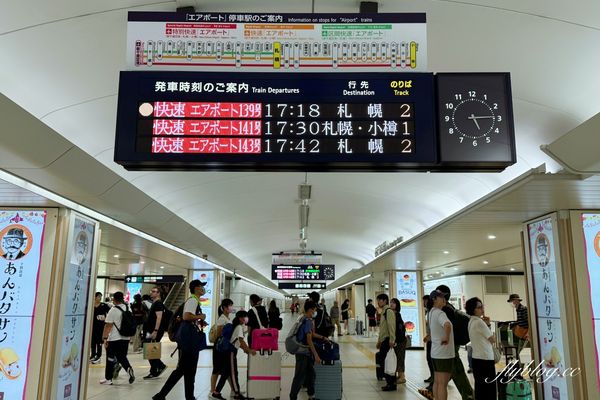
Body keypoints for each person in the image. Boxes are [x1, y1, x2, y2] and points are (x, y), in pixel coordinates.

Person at [153, 280, 207, 400]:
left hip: (188, 341)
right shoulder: (193, 300)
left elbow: (188, 317)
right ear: (195, 288)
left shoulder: (194, 301)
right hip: (188, 341)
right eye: (201, 287)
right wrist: (200, 317)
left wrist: (198, 320)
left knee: (188, 370)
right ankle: (161, 395)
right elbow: (186, 316)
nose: (203, 289)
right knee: (183, 370)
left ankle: (188, 396)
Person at [436, 284, 474, 400]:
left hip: (450, 345)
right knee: (450, 370)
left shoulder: (446, 309)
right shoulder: (446, 308)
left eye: (437, 294)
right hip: (450, 344)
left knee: (457, 370)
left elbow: (447, 327)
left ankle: (469, 395)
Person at [289, 300, 327, 400]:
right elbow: (309, 339)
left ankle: (311, 395)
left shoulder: (302, 317)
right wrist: (316, 355)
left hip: (304, 351)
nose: (315, 312)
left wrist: (323, 337)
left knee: (311, 374)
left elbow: (312, 334)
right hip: (303, 352)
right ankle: (292, 397)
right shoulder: (308, 320)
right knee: (299, 376)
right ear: (310, 310)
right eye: (314, 310)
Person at [214, 311, 255, 400]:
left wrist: (245, 349)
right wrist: (249, 350)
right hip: (230, 353)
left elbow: (235, 341)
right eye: (245, 317)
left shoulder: (234, 325)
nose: (246, 319)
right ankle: (237, 393)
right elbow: (241, 341)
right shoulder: (239, 327)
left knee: (225, 373)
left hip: (227, 352)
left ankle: (216, 392)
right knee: (233, 373)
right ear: (240, 318)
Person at [100, 292, 135, 385]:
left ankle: (108, 379)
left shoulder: (113, 310)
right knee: (122, 357)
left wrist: (104, 338)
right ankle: (128, 369)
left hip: (114, 339)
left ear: (114, 299)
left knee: (110, 358)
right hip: (126, 338)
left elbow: (108, 326)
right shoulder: (128, 308)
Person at [466, 297, 497, 400]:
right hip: (485, 360)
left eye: (482, 306)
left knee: (480, 388)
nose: (482, 309)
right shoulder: (479, 322)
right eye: (479, 307)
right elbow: (492, 339)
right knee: (489, 389)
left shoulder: (471, 321)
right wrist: (488, 324)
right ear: (473, 309)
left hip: (477, 359)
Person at [429, 289, 454, 400]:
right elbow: (447, 325)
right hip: (444, 354)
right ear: (434, 299)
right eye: (441, 297)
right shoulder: (440, 313)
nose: (444, 299)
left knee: (437, 382)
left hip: (435, 353)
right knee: (443, 384)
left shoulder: (431, 313)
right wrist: (447, 337)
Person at [211, 299, 234, 399]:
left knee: (226, 370)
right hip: (219, 347)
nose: (231, 307)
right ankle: (212, 391)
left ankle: (234, 389)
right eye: (230, 306)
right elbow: (219, 334)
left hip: (225, 347)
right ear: (224, 308)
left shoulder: (227, 318)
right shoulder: (222, 319)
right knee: (216, 369)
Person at [143, 286, 167, 379]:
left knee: (150, 350)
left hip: (155, 331)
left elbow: (159, 317)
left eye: (154, 291)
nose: (151, 293)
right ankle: (158, 367)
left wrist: (155, 331)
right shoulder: (155, 302)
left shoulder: (158, 304)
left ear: (158, 293)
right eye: (151, 291)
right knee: (149, 349)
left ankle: (156, 369)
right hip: (151, 330)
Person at [376, 293, 397, 391]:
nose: (378, 302)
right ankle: (389, 382)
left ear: (385, 301)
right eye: (378, 300)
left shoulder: (388, 311)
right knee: (385, 362)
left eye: (380, 300)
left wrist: (392, 340)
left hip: (388, 340)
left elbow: (391, 326)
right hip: (384, 340)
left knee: (388, 362)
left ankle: (391, 383)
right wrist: (379, 341)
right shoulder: (383, 311)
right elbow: (382, 328)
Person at [390, 298, 407, 384]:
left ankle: (402, 377)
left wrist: (396, 339)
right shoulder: (392, 314)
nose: (391, 304)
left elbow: (399, 329)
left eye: (394, 303)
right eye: (391, 302)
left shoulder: (397, 315)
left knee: (400, 358)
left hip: (400, 341)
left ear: (397, 305)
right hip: (397, 340)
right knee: (396, 358)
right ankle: (399, 375)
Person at [90, 292, 110, 364]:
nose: (100, 298)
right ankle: (92, 354)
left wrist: (105, 318)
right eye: (98, 296)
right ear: (95, 297)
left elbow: (110, 312)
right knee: (93, 341)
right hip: (92, 326)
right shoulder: (91, 305)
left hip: (101, 326)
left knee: (99, 341)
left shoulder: (104, 305)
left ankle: (98, 355)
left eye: (100, 297)